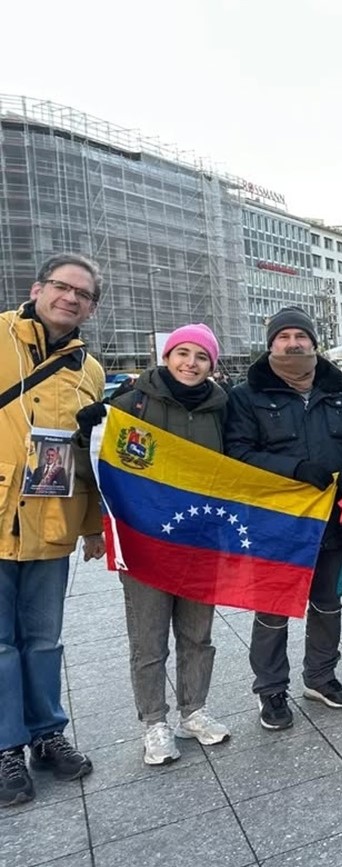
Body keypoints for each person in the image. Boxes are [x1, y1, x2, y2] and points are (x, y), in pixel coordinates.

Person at [224, 307, 342, 731]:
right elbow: (237, 453)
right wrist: (293, 469)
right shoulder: (245, 394)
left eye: (301, 336)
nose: (294, 343)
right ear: (270, 344)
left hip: (332, 520)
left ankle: (321, 677)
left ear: (313, 342)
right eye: (284, 336)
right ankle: (271, 688)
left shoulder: (338, 387)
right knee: (273, 606)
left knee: (328, 603)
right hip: (276, 523)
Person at [99, 325, 234, 765]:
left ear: (212, 364)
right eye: (182, 353)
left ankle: (194, 710)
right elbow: (100, 463)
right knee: (149, 639)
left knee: (198, 634)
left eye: (201, 356)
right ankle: (154, 723)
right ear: (167, 356)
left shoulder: (222, 408)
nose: (190, 363)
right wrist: (89, 432)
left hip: (200, 540)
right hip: (146, 542)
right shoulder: (132, 402)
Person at [0, 254, 106, 807]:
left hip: (51, 520)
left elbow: (86, 457)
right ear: (37, 287)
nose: (70, 298)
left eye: (83, 294)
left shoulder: (89, 369)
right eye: (62, 287)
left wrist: (93, 527)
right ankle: (5, 749)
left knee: (42, 640)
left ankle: (46, 734)